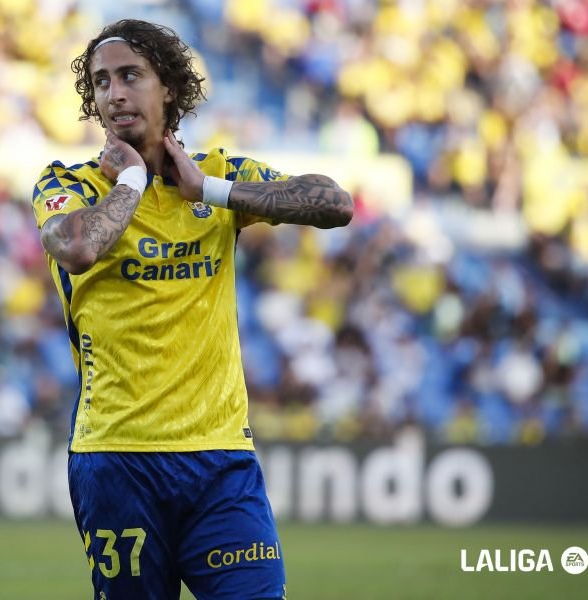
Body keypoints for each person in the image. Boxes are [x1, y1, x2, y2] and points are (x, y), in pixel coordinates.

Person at [31, 19, 353, 600]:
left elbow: (335, 203)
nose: (115, 93)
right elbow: (76, 248)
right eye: (102, 82)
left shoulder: (219, 177)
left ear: (170, 88)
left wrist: (211, 191)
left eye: (131, 75)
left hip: (221, 461)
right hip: (117, 459)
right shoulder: (69, 183)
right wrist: (130, 182)